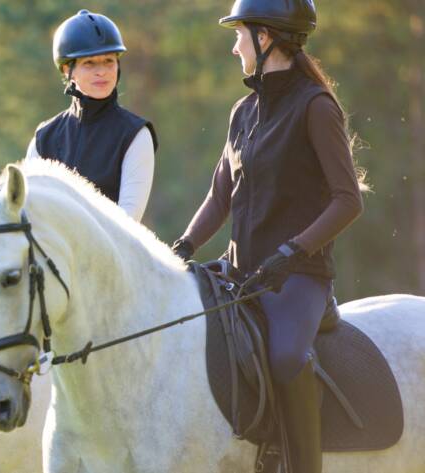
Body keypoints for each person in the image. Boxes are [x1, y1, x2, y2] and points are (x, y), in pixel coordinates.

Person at [171, 1, 365, 471]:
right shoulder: (243, 112)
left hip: (298, 276)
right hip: (241, 273)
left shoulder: (316, 107)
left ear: (268, 38)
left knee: (284, 358)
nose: (234, 45)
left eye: (241, 34)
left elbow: (348, 200)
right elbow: (221, 196)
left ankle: (303, 463)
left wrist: (293, 250)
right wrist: (183, 246)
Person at [25, 9, 158, 222]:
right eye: (89, 63)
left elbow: (127, 223)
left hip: (112, 253)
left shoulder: (136, 134)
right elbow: (31, 213)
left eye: (108, 61)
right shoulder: (44, 138)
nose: (102, 71)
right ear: (68, 69)